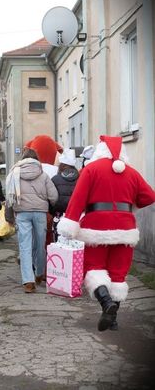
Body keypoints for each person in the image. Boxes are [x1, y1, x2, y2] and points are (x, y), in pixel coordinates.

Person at [57, 135, 155, 331]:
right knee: (118, 273)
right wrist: (130, 204)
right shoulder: (132, 173)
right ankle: (113, 318)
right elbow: (149, 196)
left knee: (94, 268)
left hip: (96, 228)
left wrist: (70, 222)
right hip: (125, 229)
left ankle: (106, 303)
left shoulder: (91, 169)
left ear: (100, 150)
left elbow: (78, 198)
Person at [5, 148, 58, 293]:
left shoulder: (14, 174)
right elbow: (54, 197)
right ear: (36, 160)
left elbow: (9, 198)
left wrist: (9, 217)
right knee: (40, 244)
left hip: (22, 213)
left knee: (25, 246)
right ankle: (39, 273)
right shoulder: (43, 175)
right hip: (40, 213)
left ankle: (28, 282)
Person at [50, 148, 79, 241]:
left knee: (58, 245)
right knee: (75, 245)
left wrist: (52, 212)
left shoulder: (55, 179)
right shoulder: (81, 179)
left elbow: (51, 198)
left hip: (58, 217)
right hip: (75, 218)